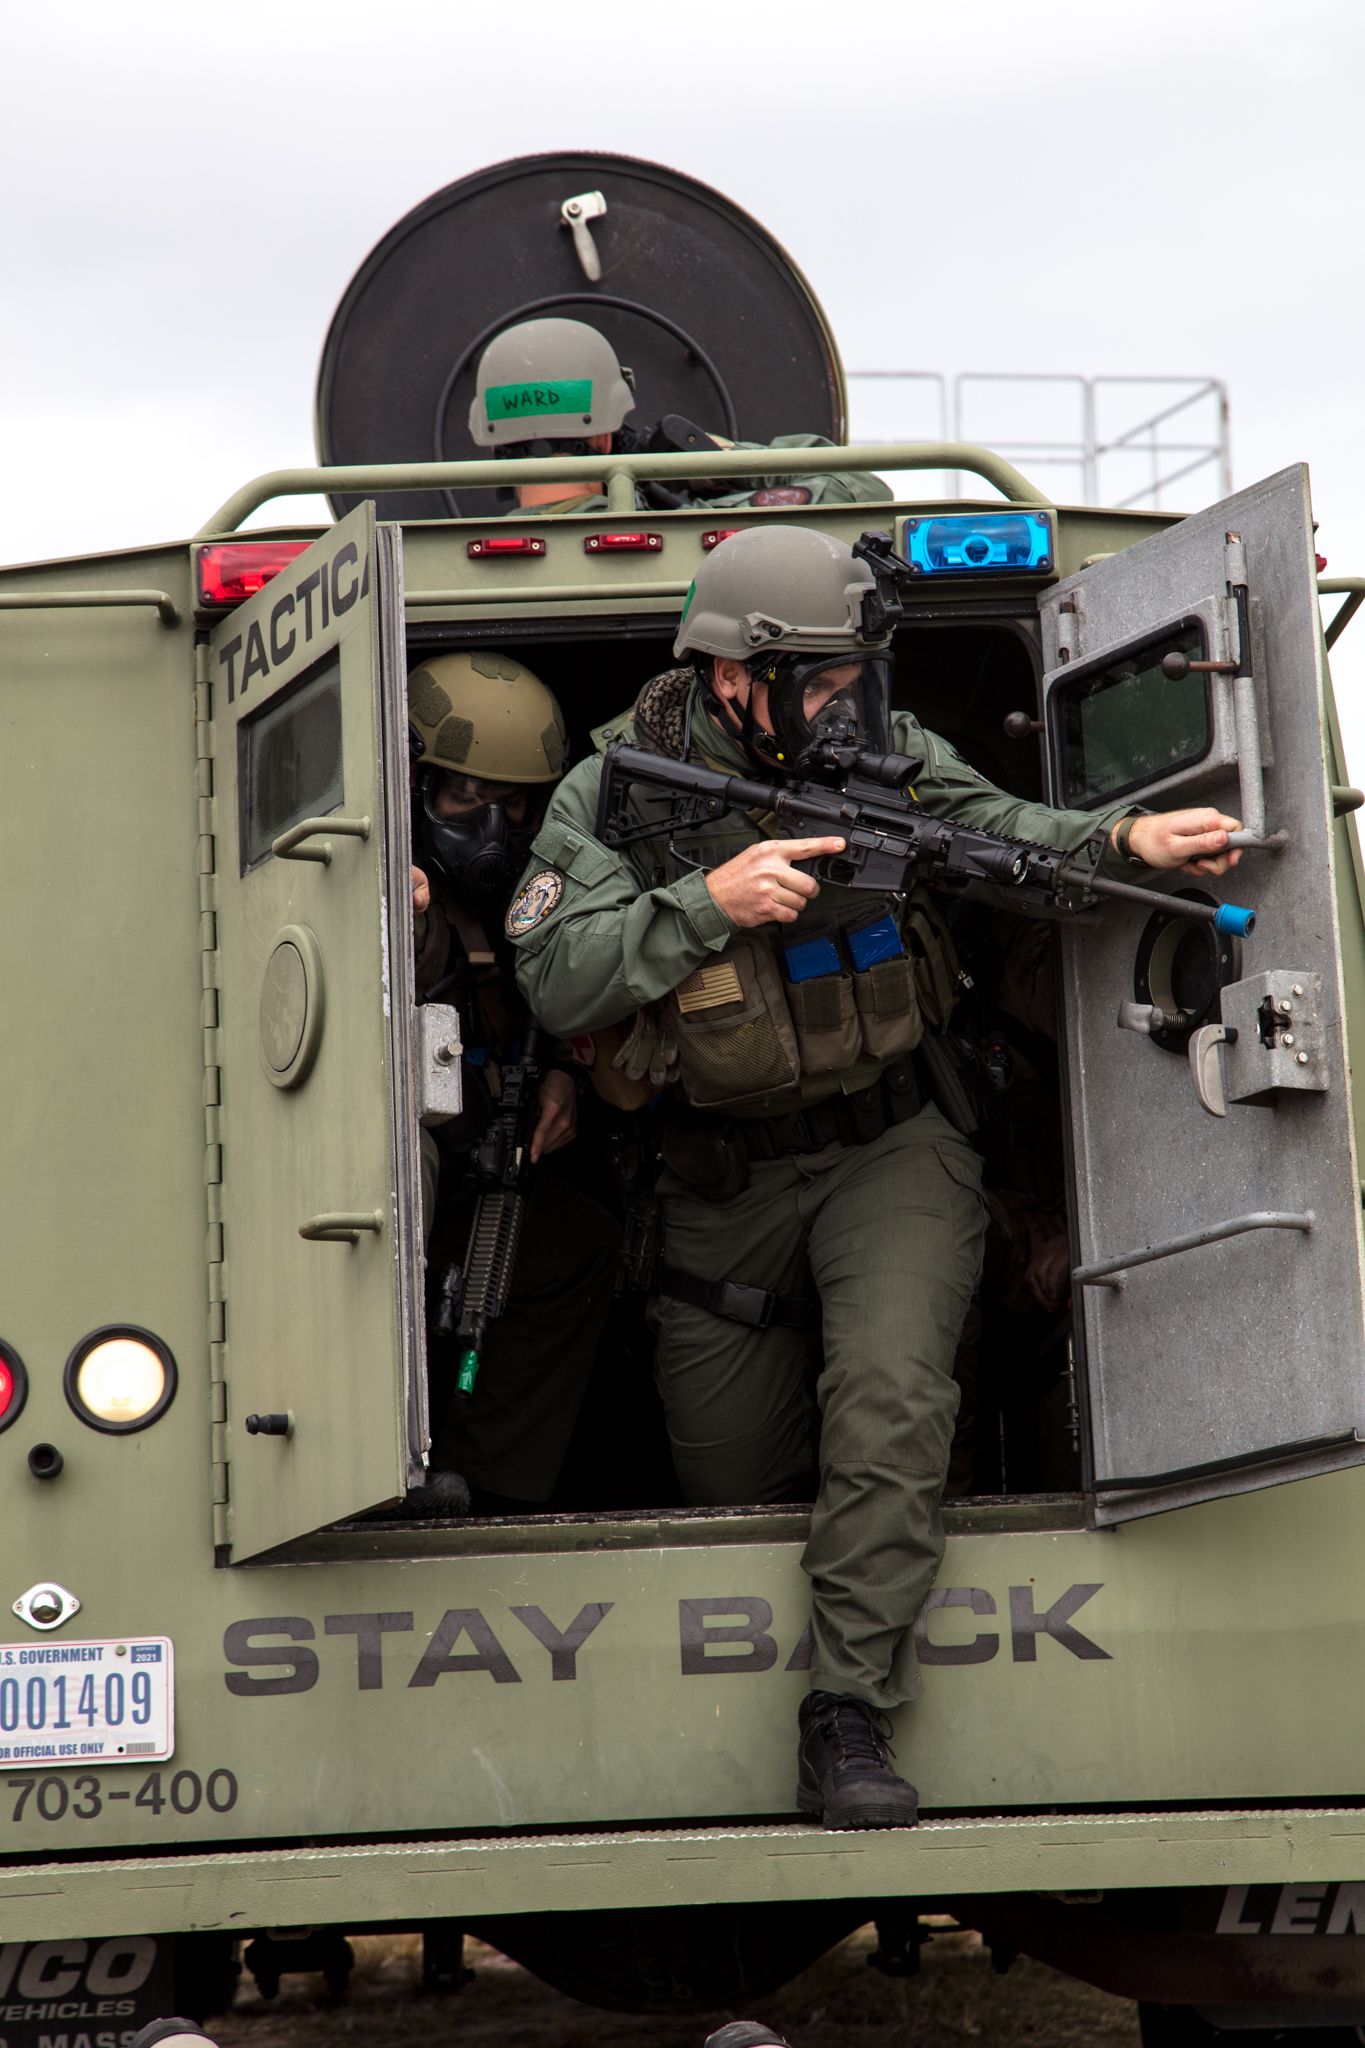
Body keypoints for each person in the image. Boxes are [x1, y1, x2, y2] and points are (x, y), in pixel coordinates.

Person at [506, 525, 1243, 1828]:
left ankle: (847, 1713)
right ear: (735, 679)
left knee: (891, 1401)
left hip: (893, 1143)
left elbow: (1012, 835)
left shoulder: (890, 755)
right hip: (716, 1183)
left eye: (854, 673)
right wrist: (712, 905)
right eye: (817, 678)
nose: (845, 699)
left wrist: (1126, 848)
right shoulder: (613, 790)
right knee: (729, 1472)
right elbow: (559, 974)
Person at [404, 650, 619, 1517]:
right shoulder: (375, 884)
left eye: (513, 804)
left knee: (574, 1243)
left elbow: (556, 993)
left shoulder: (543, 887)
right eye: (464, 799)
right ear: (413, 784)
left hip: (482, 1153)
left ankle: (488, 1488)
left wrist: (565, 1077)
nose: (490, 827)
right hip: (384, 1179)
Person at [467, 316, 891, 514]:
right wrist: (702, 460)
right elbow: (860, 486)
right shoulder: (675, 534)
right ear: (603, 436)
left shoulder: (457, 555)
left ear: (495, 439)